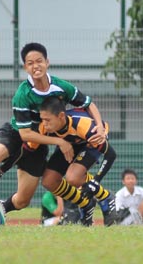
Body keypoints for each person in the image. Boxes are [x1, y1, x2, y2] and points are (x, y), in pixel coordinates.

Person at [0, 42, 106, 226]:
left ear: (47, 62)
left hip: (38, 146)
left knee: (23, 201)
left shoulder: (61, 87)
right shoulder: (22, 94)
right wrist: (60, 142)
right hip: (14, 134)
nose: (35, 66)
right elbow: (25, 136)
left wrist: (100, 128)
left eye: (39, 61)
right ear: (25, 67)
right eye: (30, 63)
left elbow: (88, 103)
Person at [36, 96, 119, 226]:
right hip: (70, 142)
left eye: (47, 120)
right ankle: (86, 204)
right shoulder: (43, 127)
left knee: (73, 177)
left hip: (89, 140)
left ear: (61, 116)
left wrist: (95, 181)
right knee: (48, 181)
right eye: (42, 120)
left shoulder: (84, 125)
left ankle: (106, 197)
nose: (44, 124)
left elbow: (111, 154)